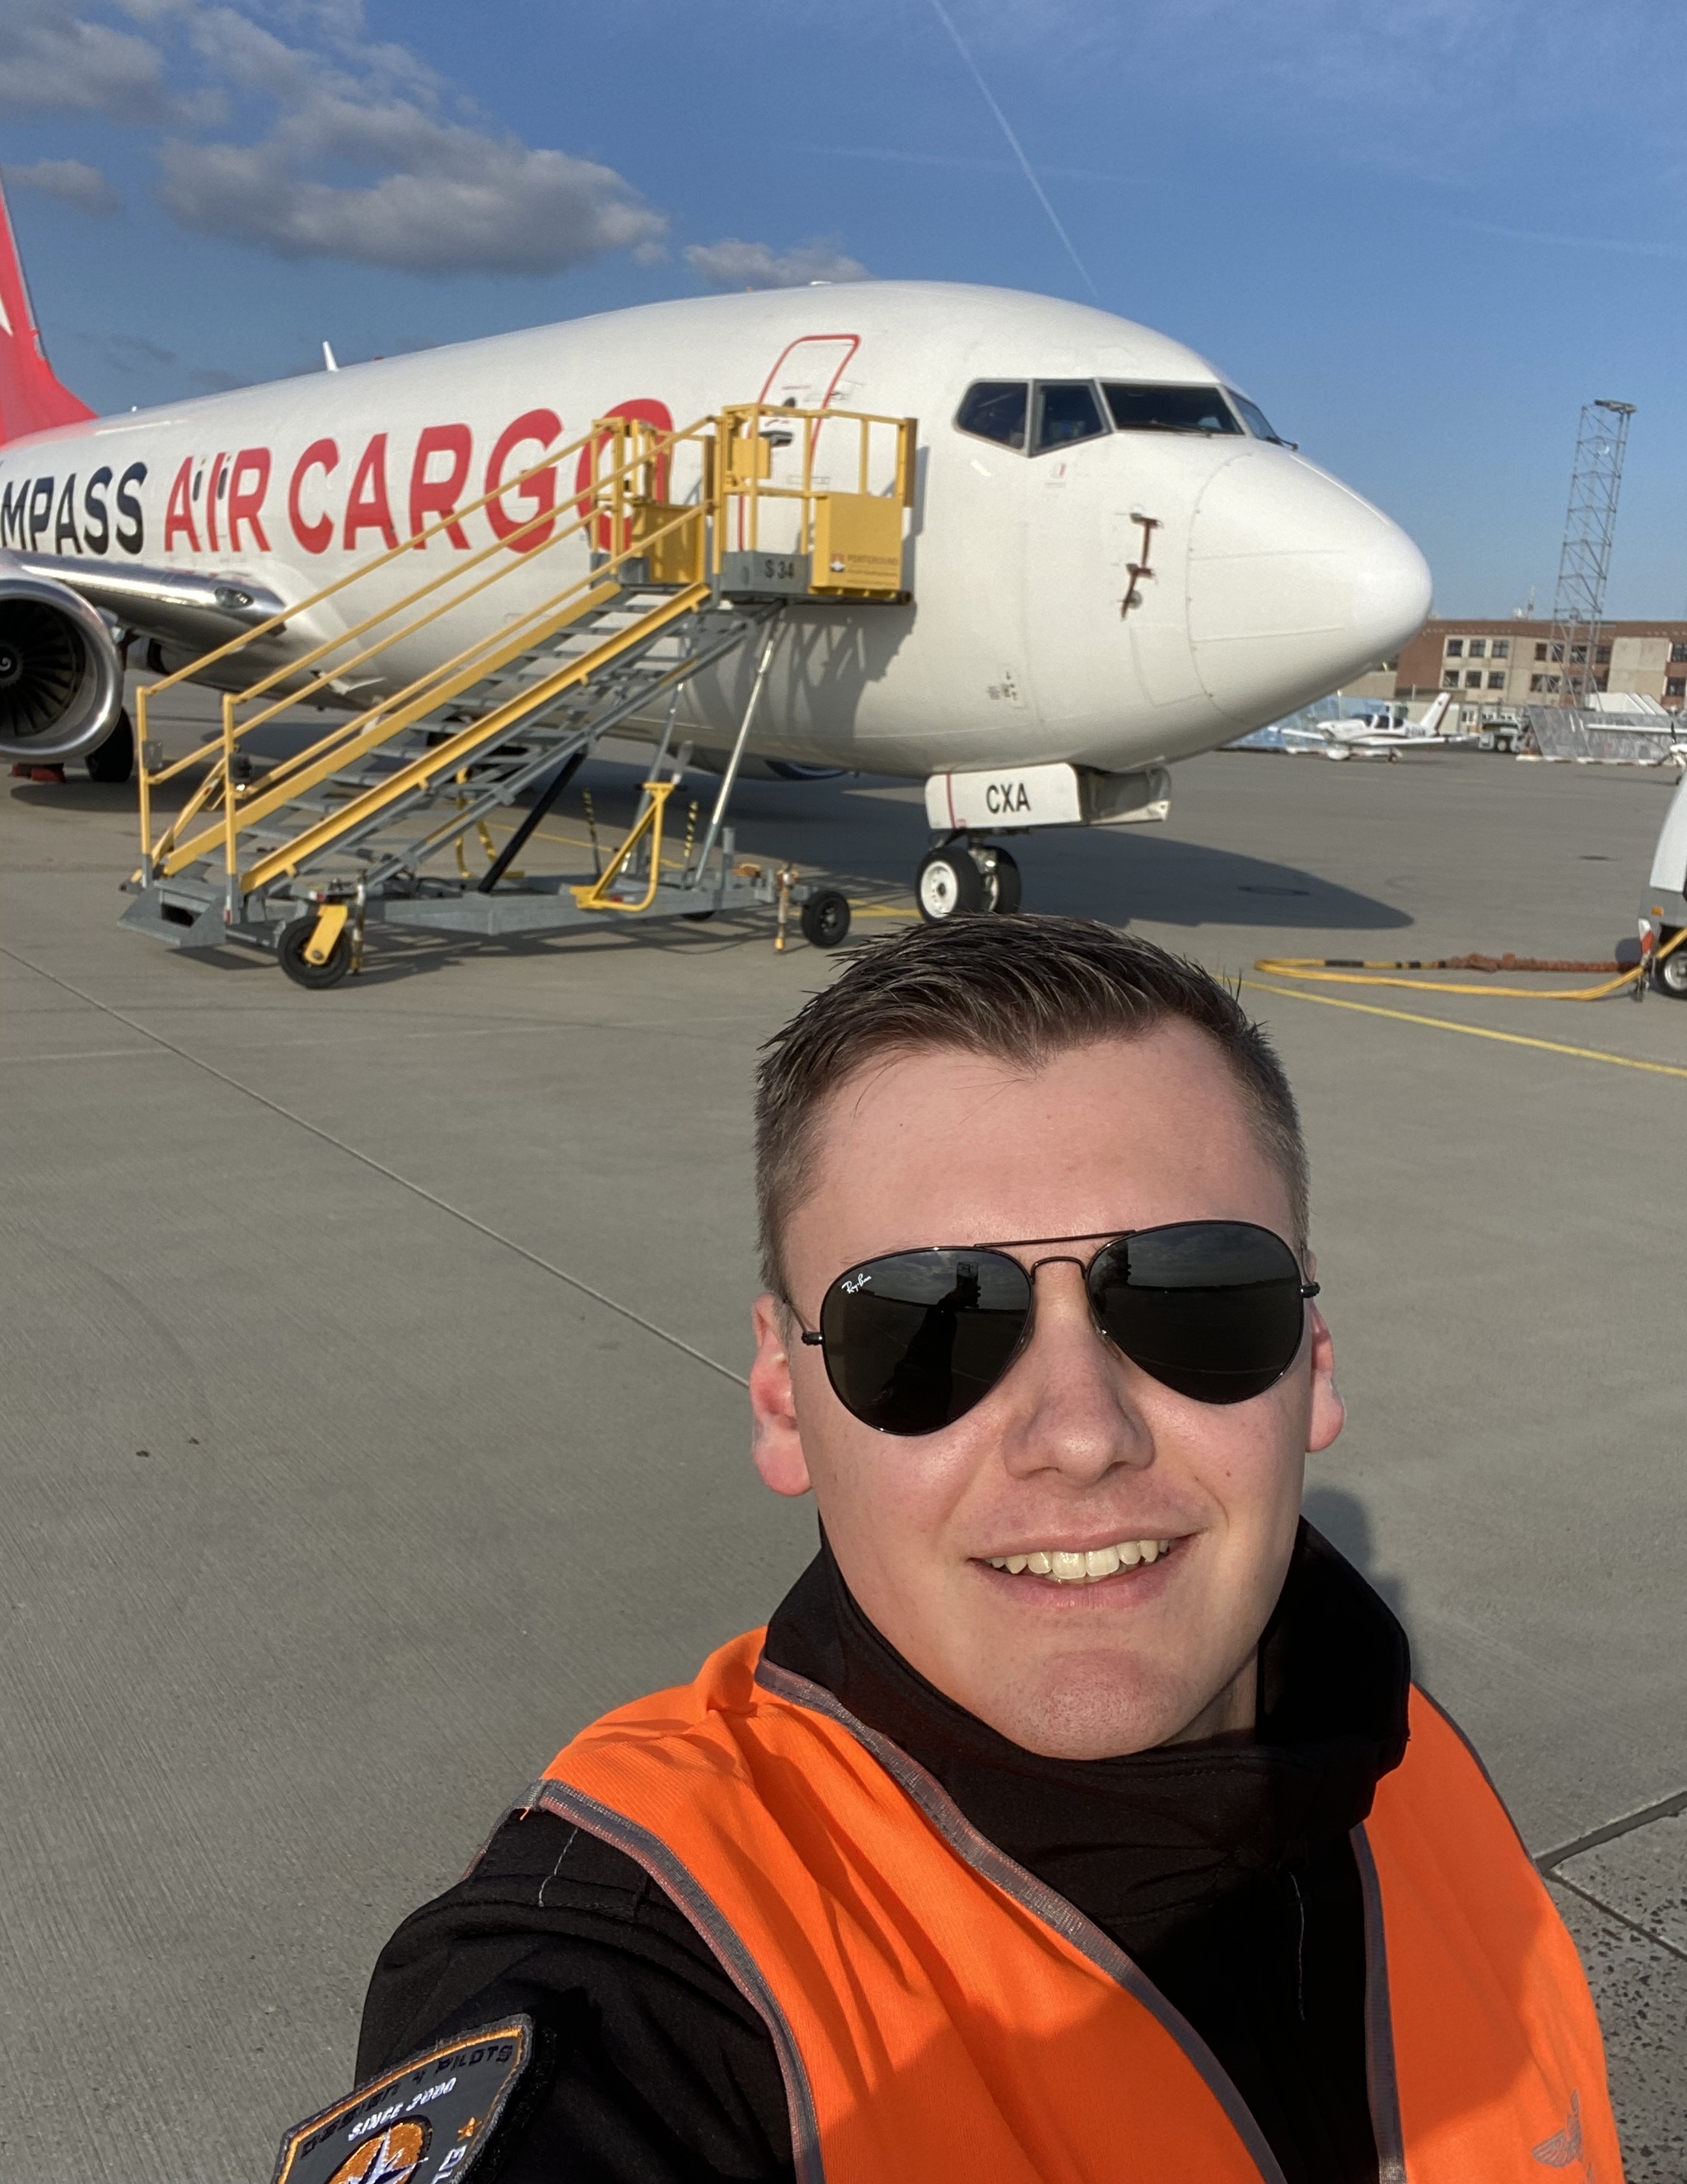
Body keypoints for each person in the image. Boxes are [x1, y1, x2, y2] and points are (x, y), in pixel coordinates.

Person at [288, 918, 1619, 2184]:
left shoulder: (1416, 1767)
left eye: (1197, 1299)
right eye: (929, 1326)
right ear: (780, 1401)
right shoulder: (650, 1971)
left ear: (1313, 1364)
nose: (1080, 1435)